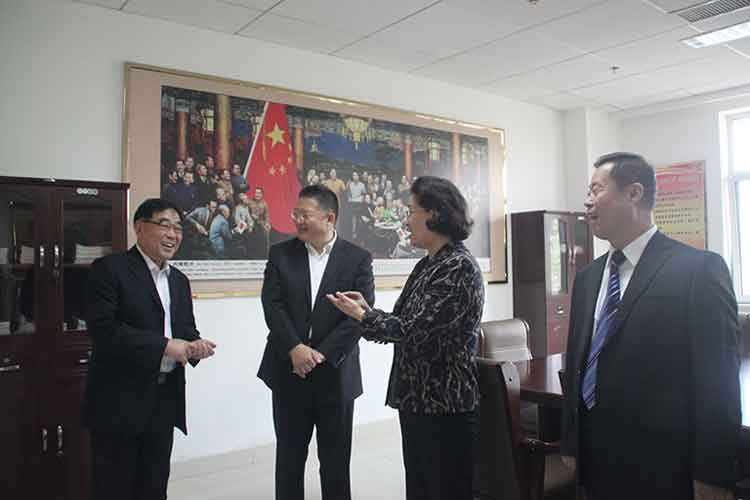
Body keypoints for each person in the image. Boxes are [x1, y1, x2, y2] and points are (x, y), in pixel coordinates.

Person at [560, 153, 740, 500]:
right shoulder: (587, 278)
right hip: (596, 462)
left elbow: (717, 380)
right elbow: (577, 363)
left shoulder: (698, 270)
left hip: (664, 466)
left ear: (634, 193)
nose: (587, 201)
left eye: (596, 190)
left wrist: (712, 473)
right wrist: (571, 442)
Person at [328, 176, 484, 500]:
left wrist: (363, 317)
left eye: (412, 211)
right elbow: (405, 321)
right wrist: (367, 310)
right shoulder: (429, 264)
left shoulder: (458, 267)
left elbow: (415, 331)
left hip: (445, 406)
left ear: (435, 214)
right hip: (418, 401)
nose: (406, 220)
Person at [83, 198, 217, 500]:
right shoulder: (110, 269)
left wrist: (195, 346)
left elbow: (185, 330)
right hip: (118, 400)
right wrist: (166, 346)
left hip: (163, 398)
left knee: (154, 485)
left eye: (178, 228)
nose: (173, 235)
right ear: (140, 227)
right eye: (164, 225)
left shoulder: (179, 280)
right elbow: (104, 331)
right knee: (114, 487)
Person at [258, 184, 375, 500]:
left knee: (335, 463)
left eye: (304, 215)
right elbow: (272, 305)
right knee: (289, 460)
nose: (297, 220)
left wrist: (319, 355)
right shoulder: (281, 254)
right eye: (295, 214)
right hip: (289, 371)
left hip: (335, 374)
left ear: (329, 218)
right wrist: (295, 349)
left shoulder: (358, 259)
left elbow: (360, 315)